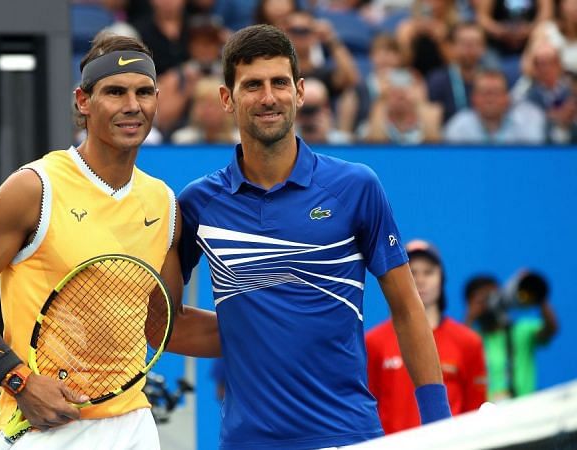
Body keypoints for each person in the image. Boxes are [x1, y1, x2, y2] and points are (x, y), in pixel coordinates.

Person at [0, 34, 220, 450]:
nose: (131, 106)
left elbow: (163, 326)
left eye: (143, 92)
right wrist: (19, 380)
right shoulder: (35, 188)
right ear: (83, 101)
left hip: (133, 427)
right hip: (39, 429)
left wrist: (282, 332)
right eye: (115, 92)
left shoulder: (164, 204)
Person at [177, 24, 451, 450]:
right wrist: (245, 333)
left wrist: (440, 425)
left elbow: (407, 309)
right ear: (227, 99)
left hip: (348, 436)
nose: (268, 97)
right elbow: (162, 325)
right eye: (252, 85)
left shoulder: (356, 186)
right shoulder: (198, 203)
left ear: (300, 92)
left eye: (279, 83)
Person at [366, 240, 487, 434]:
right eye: (412, 272)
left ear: (442, 279)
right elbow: (368, 410)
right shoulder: (374, 342)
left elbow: (475, 411)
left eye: (429, 272)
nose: (420, 280)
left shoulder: (468, 341)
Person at [464, 273, 558, 402]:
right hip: (485, 415)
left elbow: (550, 329)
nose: (489, 303)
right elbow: (459, 351)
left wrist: (539, 296)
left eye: (491, 296)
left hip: (524, 408)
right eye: (481, 300)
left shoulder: (521, 331)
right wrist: (470, 317)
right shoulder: (473, 339)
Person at [444, 68, 546, 143]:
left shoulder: (525, 124)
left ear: (507, 98)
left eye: (496, 93)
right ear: (473, 98)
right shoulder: (459, 126)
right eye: (485, 93)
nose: (490, 99)